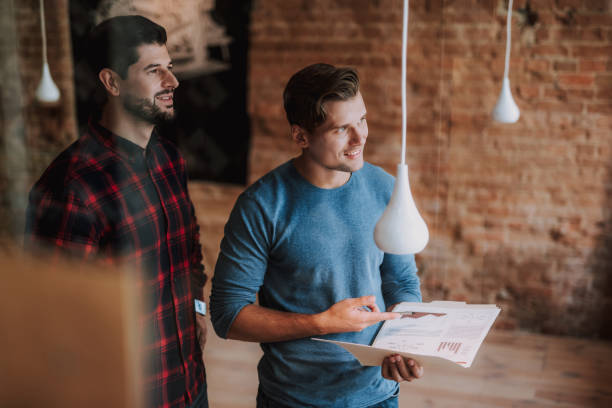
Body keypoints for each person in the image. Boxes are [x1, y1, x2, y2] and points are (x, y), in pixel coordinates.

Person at [210, 63, 423, 408]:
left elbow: (400, 281)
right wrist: (320, 323)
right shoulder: (261, 206)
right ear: (301, 136)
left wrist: (404, 344)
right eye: (342, 129)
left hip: (378, 396)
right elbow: (228, 315)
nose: (360, 137)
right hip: (293, 399)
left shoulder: (386, 188)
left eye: (362, 120)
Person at [25, 16, 208, 408]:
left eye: (170, 68)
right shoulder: (71, 186)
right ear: (112, 82)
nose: (172, 82)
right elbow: (54, 324)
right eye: (154, 70)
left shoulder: (169, 159)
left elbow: (190, 251)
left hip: (190, 384)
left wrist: (198, 308)